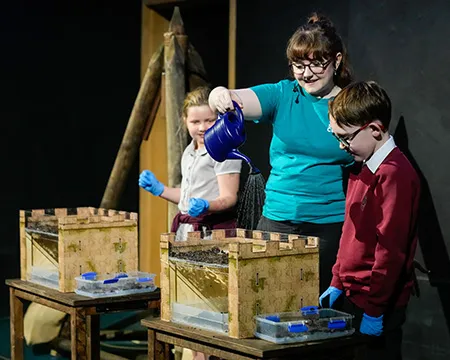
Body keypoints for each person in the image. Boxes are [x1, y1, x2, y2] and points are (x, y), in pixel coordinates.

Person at [208, 13, 354, 293]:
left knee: (314, 306)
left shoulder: (349, 103)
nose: (306, 73)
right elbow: (237, 98)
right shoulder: (284, 94)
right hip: (276, 220)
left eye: (316, 64)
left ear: (336, 60)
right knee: (269, 299)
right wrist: (220, 95)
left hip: (327, 225)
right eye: (299, 65)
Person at [320, 81, 420, 359]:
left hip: (377, 303)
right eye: (336, 136)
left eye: (346, 137)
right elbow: (349, 232)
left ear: (375, 129)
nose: (341, 145)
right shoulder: (361, 168)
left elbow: (391, 250)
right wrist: (337, 280)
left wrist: (375, 310)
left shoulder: (395, 175)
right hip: (353, 296)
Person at [139, 86, 242, 241]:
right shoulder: (189, 151)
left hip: (212, 232)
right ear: (185, 120)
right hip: (187, 230)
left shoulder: (224, 150)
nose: (202, 128)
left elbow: (229, 198)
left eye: (209, 120)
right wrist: (160, 189)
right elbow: (191, 196)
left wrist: (207, 205)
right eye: (195, 122)